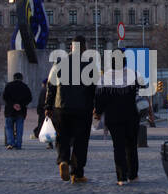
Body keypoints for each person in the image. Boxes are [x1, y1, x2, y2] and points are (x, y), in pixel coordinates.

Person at [47, 43, 97, 182]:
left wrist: (48, 107)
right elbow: (94, 88)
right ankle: (77, 173)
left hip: (60, 107)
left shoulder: (59, 62)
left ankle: (63, 160)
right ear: (84, 49)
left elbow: (51, 86)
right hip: (82, 109)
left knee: (62, 137)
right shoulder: (89, 64)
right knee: (80, 142)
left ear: (71, 48)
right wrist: (96, 108)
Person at [95, 63, 140, 184]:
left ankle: (121, 177)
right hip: (131, 116)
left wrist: (98, 112)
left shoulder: (105, 78)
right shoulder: (134, 76)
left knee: (118, 147)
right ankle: (133, 175)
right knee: (131, 145)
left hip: (113, 118)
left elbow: (100, 98)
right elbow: (142, 94)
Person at [2, 72, 34, 149]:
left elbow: (5, 97)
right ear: (21, 78)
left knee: (9, 127)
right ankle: (18, 144)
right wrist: (21, 104)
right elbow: (29, 98)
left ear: (14, 78)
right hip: (21, 111)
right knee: (19, 128)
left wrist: (13, 104)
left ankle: (10, 143)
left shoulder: (8, 86)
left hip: (10, 110)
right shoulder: (25, 87)